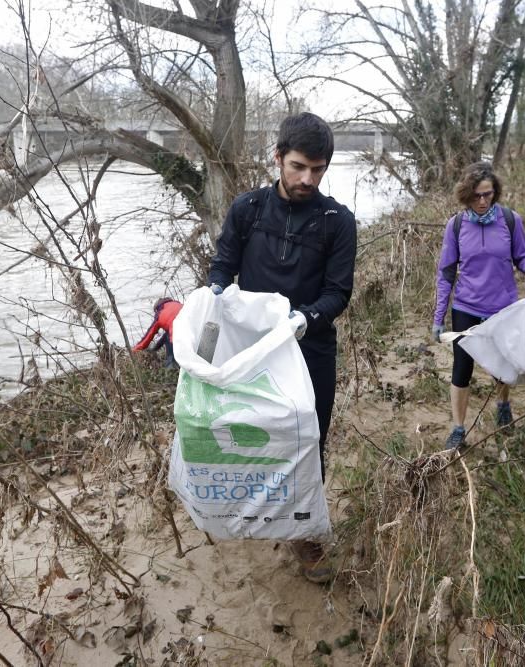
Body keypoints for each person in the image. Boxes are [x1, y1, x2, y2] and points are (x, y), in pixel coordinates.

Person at [207, 112, 357, 583]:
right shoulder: (247, 210)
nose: (306, 179)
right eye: (297, 167)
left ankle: (304, 537)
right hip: (253, 353)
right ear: (277, 158)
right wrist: (210, 306)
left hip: (310, 351)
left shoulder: (338, 222)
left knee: (308, 443)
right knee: (250, 433)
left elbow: (338, 293)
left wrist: (303, 318)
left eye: (317, 169)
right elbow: (222, 266)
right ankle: (252, 513)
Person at [432, 162, 525, 450]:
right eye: (477, 196)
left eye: (488, 194)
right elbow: (446, 272)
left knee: (503, 364)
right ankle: (458, 428)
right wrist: (439, 318)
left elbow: (521, 257)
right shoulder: (457, 226)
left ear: (494, 192)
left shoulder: (511, 220)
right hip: (466, 307)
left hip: (503, 308)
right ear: (466, 196)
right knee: (462, 369)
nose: (483, 201)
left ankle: (502, 405)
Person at [133, 298, 182, 368]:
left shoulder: (160, 313)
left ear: (156, 309)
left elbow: (148, 336)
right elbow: (166, 335)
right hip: (196, 332)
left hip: (178, 336)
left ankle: (171, 368)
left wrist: (135, 349)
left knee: (171, 358)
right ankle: (154, 349)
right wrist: (155, 348)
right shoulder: (179, 305)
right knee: (168, 335)